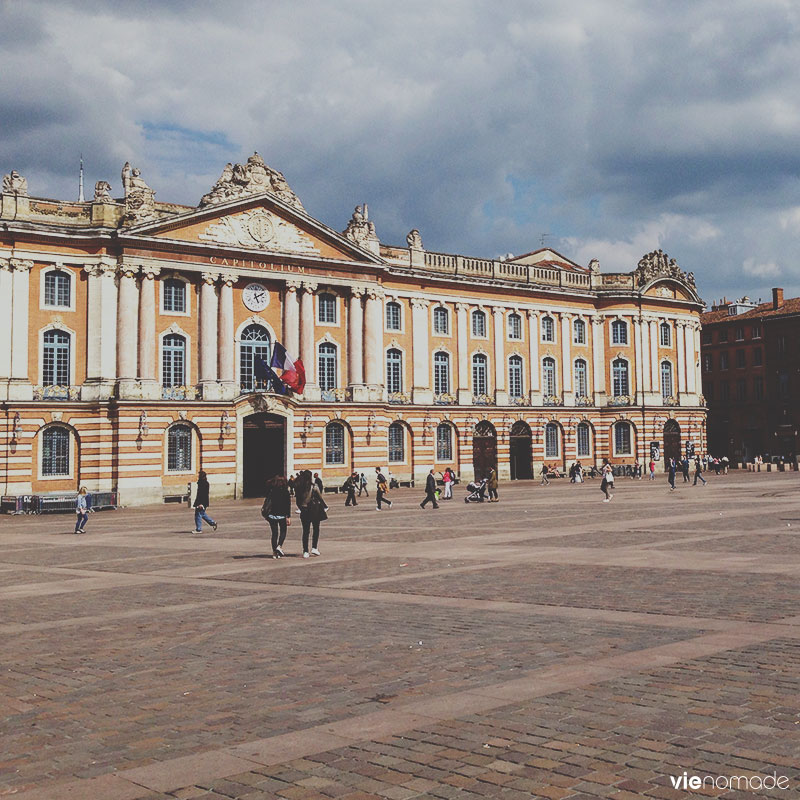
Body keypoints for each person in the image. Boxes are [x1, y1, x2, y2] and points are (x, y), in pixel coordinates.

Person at [295, 469, 328, 557]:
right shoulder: (314, 486)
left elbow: (297, 501)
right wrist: (325, 506)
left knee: (305, 531)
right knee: (316, 529)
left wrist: (301, 508)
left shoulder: (299, 487)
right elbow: (320, 497)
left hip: (304, 510)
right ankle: (314, 548)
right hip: (314, 510)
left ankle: (305, 551)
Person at [262, 475, 291, 558]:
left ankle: (274, 553)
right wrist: (288, 516)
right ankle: (279, 546)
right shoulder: (286, 492)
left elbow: (267, 502)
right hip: (282, 515)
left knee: (274, 534)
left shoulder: (272, 491)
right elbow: (287, 505)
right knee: (283, 531)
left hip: (272, 515)